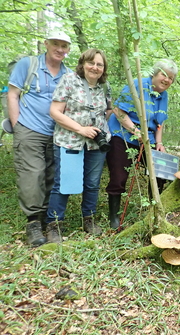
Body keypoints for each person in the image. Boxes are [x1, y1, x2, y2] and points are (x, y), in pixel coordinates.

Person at [8, 31, 72, 246]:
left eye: (64, 46)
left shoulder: (69, 74)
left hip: (57, 132)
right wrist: (17, 125)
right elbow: (12, 94)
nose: (60, 49)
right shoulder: (28, 65)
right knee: (32, 174)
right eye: (56, 44)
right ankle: (33, 223)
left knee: (52, 175)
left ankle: (47, 217)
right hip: (29, 128)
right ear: (46, 44)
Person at [44, 49, 112, 242]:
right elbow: (55, 112)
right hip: (69, 140)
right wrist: (81, 129)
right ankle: (54, 224)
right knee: (64, 183)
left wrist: (97, 130)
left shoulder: (104, 87)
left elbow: (107, 111)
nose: (95, 67)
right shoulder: (69, 80)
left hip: (96, 144)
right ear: (83, 63)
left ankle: (88, 219)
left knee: (92, 183)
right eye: (91, 63)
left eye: (100, 64)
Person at [106, 59, 178, 228]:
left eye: (171, 78)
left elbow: (160, 120)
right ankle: (114, 218)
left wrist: (159, 142)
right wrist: (135, 131)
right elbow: (118, 110)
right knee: (119, 175)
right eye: (164, 75)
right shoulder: (138, 85)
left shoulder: (163, 95)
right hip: (123, 134)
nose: (167, 80)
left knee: (160, 171)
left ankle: (154, 209)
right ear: (154, 73)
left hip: (148, 139)